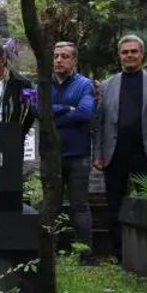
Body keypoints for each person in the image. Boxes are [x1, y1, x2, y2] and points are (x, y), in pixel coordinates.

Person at [93, 34, 147, 260]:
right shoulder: (107, 85)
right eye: (125, 52)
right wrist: (97, 154)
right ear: (119, 56)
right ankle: (119, 254)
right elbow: (100, 123)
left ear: (142, 54)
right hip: (114, 154)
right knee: (114, 206)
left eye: (134, 51)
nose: (130, 55)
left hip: (146, 154)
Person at [50, 42, 95, 253]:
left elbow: (85, 113)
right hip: (51, 155)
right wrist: (67, 108)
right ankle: (50, 252)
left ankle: (84, 253)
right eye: (56, 56)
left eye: (64, 56)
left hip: (78, 154)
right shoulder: (44, 84)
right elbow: (36, 109)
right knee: (51, 206)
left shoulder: (85, 85)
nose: (59, 60)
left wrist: (54, 114)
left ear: (74, 60)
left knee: (80, 206)